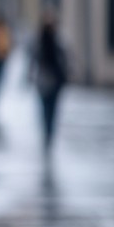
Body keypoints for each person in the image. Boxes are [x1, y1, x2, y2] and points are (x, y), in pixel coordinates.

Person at [30, 14, 68, 156]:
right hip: (50, 81)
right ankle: (48, 132)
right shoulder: (55, 41)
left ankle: (48, 133)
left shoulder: (52, 41)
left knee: (47, 109)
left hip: (47, 81)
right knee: (50, 109)